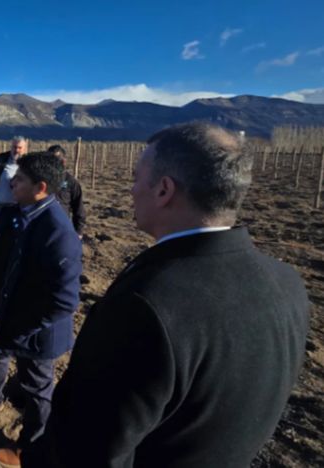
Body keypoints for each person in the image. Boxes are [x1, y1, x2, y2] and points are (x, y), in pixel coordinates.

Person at [23, 123, 310, 468]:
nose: (130, 189)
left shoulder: (145, 306)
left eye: (136, 177)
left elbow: (89, 450)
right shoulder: (288, 282)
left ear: (163, 190)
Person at [0, 152, 82, 467]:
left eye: (19, 179)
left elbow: (64, 301)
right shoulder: (25, 212)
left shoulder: (58, 233)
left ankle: (30, 450)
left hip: (36, 333)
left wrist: (24, 329)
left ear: (40, 186)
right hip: (12, 314)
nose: (12, 182)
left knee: (37, 390)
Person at [47, 144, 85, 237]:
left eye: (56, 161)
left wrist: (78, 232)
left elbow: (78, 209)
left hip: (62, 229)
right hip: (41, 228)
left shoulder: (71, 182)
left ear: (63, 162)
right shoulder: (40, 180)